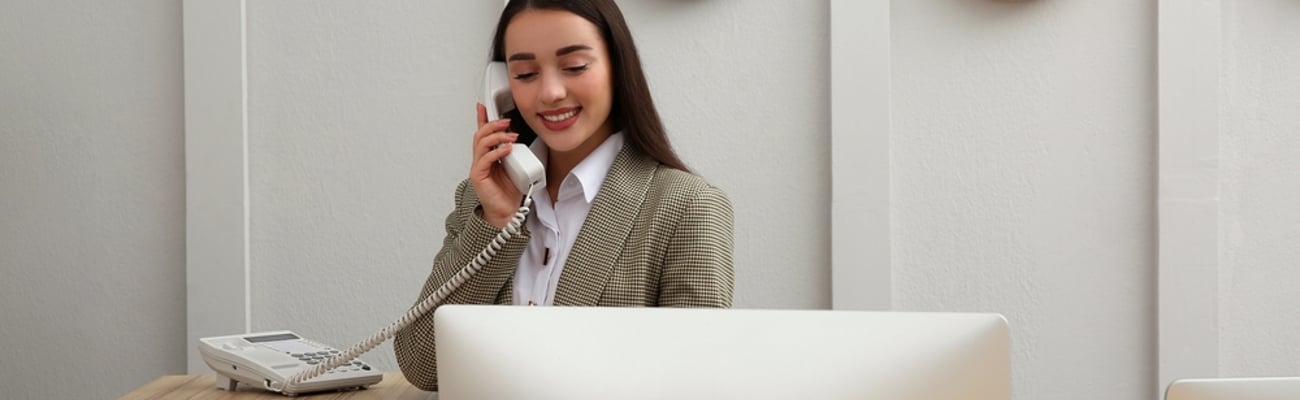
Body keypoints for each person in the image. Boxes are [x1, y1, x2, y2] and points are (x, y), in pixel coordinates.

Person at [393, 0, 734, 392]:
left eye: (574, 67)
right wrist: (495, 223)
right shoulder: (482, 199)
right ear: (502, 85)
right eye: (524, 73)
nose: (550, 93)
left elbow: (697, 385)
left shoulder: (688, 206)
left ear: (618, 69)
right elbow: (422, 366)